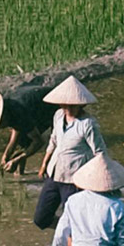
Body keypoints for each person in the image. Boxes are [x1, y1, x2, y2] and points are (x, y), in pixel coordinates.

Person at [35, 77, 105, 229]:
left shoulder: (88, 124)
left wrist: (98, 181)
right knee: (41, 219)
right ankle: (69, 229)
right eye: (65, 105)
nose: (68, 109)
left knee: (74, 218)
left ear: (82, 105)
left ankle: (74, 243)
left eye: (73, 106)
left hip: (75, 180)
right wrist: (44, 164)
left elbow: (99, 153)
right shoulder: (58, 116)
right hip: (54, 174)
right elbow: (53, 140)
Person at [0, 83, 54, 174]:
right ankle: (20, 174)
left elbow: (38, 142)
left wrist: (17, 159)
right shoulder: (8, 108)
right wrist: (6, 155)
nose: (0, 129)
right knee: (23, 141)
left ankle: (45, 170)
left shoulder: (18, 111)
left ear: (1, 118)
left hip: (52, 105)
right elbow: (17, 129)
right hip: (34, 107)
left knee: (57, 145)